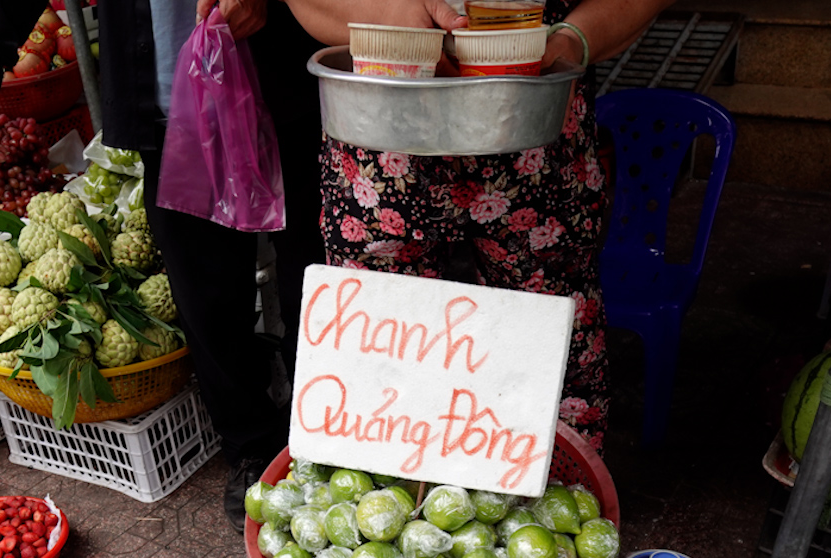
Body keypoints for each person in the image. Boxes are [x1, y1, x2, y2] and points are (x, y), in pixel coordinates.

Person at [0, 0, 326, 528]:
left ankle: (329, 438)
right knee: (205, 293)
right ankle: (251, 446)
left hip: (285, 77)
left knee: (319, 278)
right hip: (174, 101)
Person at [279, 0, 669, 454]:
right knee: (380, 378)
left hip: (536, 128)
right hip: (383, 136)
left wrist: (572, 39)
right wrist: (386, 12)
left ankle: (555, 506)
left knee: (548, 368)